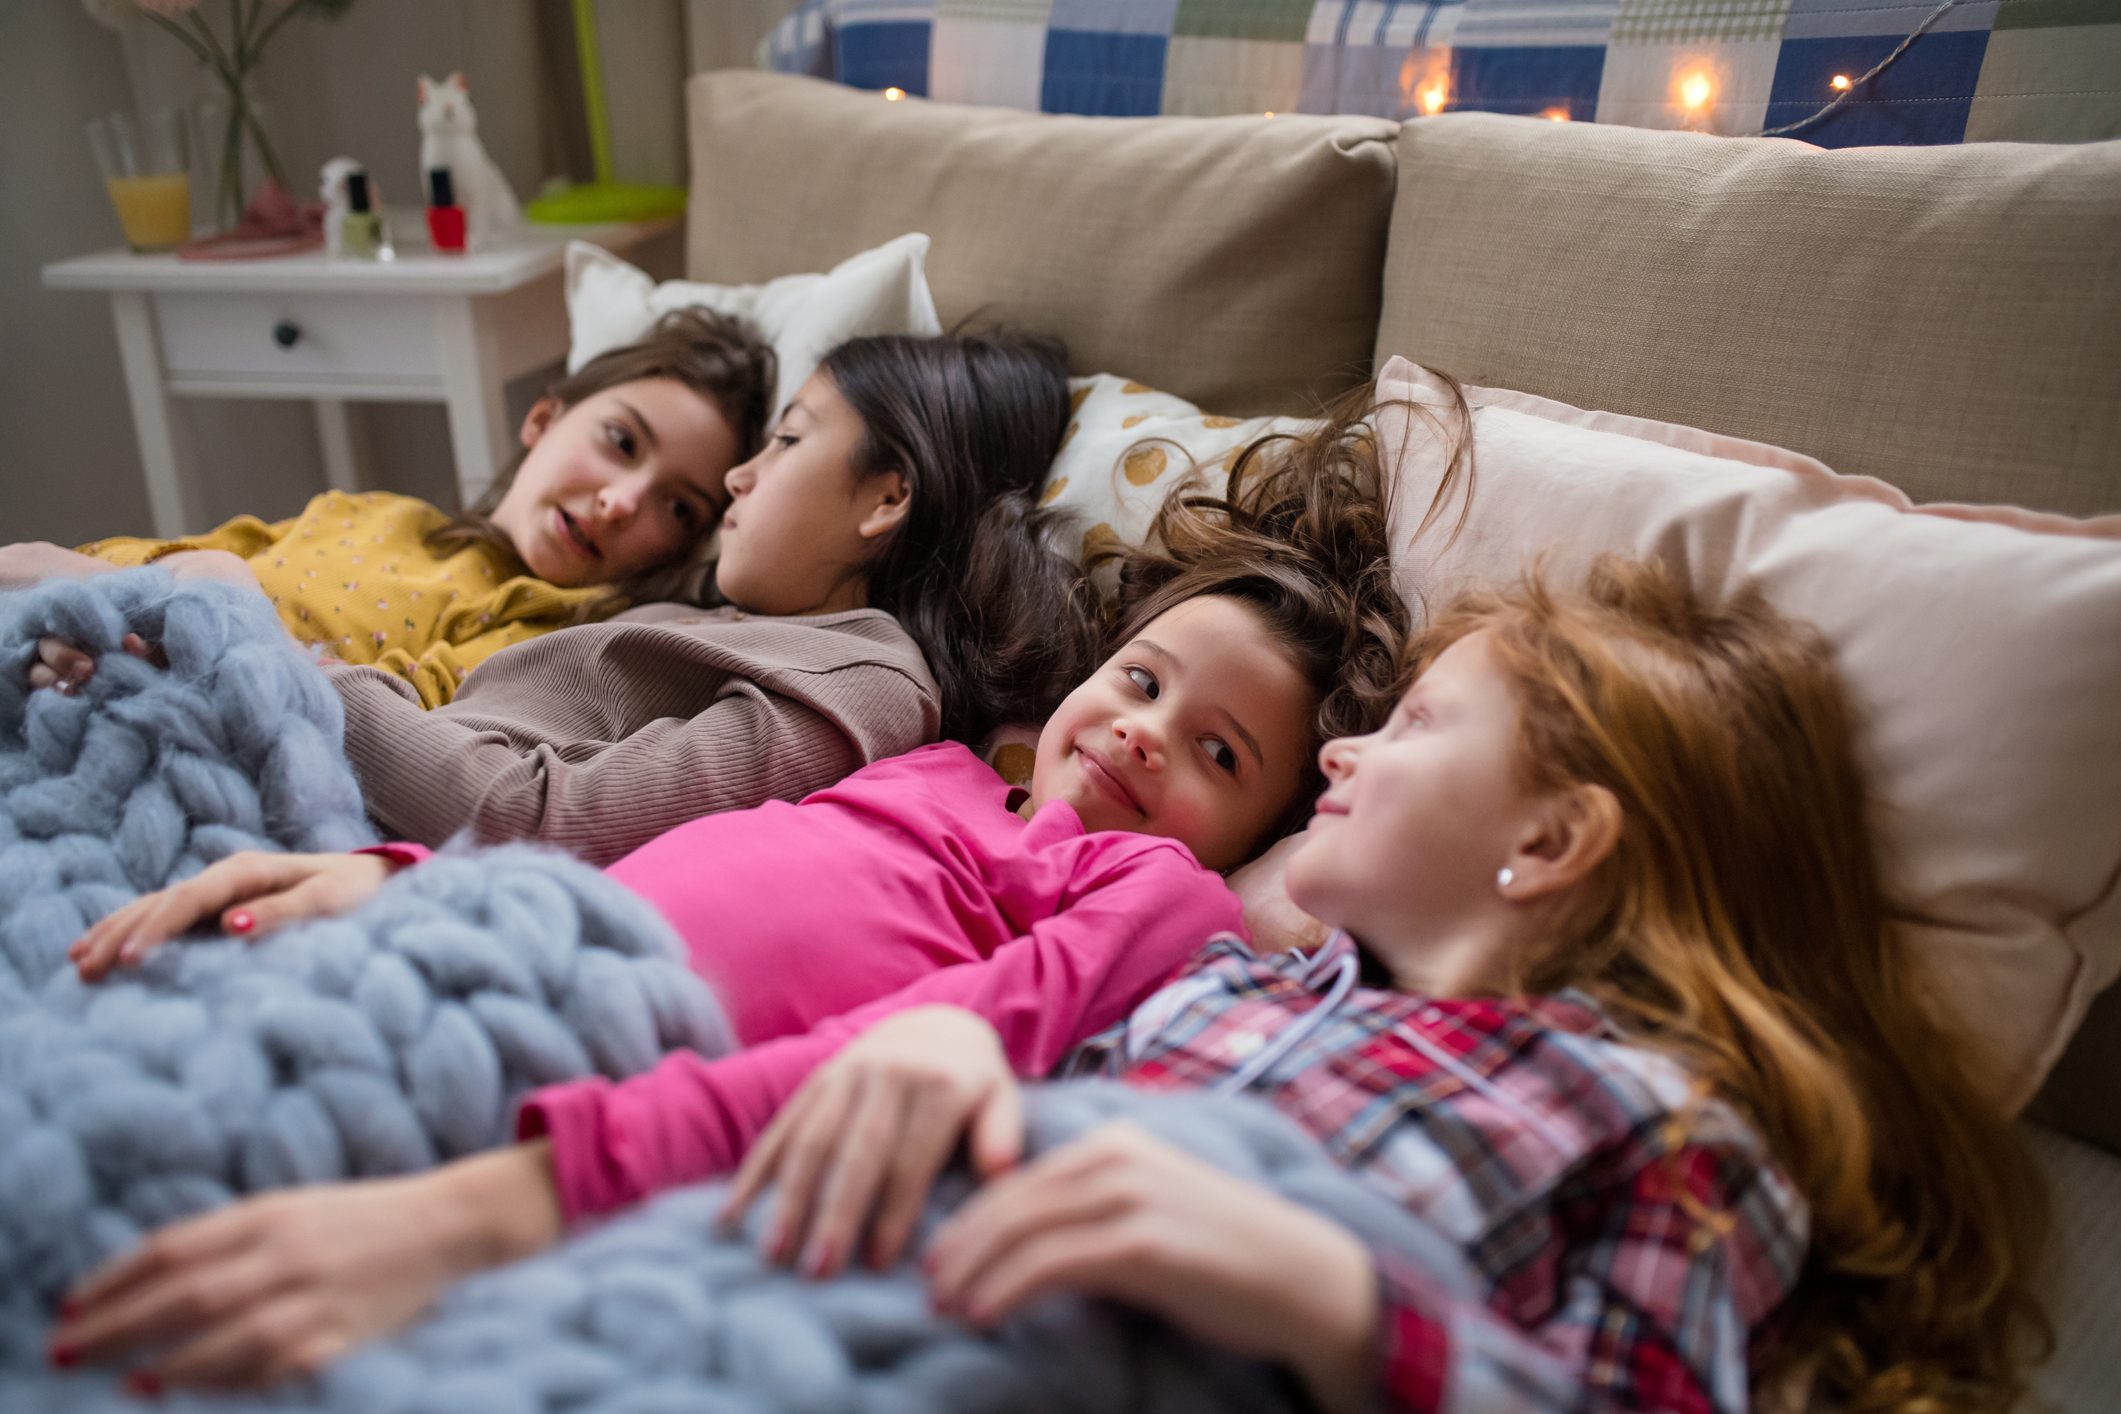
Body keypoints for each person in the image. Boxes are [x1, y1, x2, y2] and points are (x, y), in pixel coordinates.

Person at [45, 404, 1424, 1393]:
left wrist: (499, 1208)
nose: (1144, 732)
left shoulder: (1156, 892)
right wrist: (385, 877)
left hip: (610, 1074)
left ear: (1269, 825)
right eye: (1142, 679)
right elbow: (634, 857)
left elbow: (910, 1052)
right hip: (494, 933)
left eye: (1219, 754)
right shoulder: (937, 763)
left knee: (144, 1251)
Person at [714, 558, 2052, 1412]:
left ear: (1549, 840)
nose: (1339, 754)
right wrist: (961, 1067)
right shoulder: (1225, 981)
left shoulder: (1664, 1126)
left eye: (1412, 725)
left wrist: (1340, 1306)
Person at [28, 332, 1098, 865]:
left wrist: (259, 649)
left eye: (785, 441)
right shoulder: (720, 627)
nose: (741, 477)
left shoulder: (862, 678)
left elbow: (535, 818)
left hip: (327, 830)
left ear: (887, 497)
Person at [7, 309, 776, 708]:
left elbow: (388, 719)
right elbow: (159, 555)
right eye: (621, 441)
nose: (620, 503)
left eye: (678, 509)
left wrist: (205, 618)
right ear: (543, 418)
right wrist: (95, 597)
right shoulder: (368, 513)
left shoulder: (551, 629)